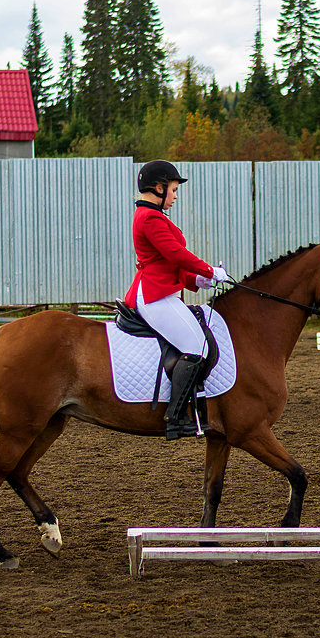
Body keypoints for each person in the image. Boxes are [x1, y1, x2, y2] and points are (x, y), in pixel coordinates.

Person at [123, 160, 229, 439]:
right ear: (158, 188)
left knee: (198, 343)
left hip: (163, 290)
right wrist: (210, 271)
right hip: (155, 296)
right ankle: (176, 415)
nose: (175, 195)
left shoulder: (153, 217)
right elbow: (176, 255)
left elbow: (167, 265)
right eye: (173, 189)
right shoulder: (150, 218)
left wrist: (198, 281)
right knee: (197, 346)